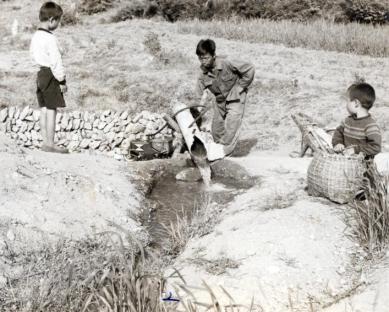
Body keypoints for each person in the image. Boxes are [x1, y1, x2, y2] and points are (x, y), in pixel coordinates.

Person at [195, 39, 255, 156]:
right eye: (200, 58)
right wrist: (195, 112)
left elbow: (249, 68)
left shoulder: (227, 62)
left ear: (213, 55)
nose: (203, 62)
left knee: (232, 123)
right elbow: (198, 95)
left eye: (206, 58)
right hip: (219, 100)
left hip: (235, 97)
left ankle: (226, 153)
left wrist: (240, 87)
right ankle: (218, 150)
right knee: (216, 129)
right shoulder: (202, 72)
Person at [30, 1, 68, 153]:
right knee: (52, 109)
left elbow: (32, 56)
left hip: (40, 73)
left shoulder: (36, 36)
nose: (59, 24)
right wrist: (62, 80)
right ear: (52, 20)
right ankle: (51, 144)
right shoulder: (50, 38)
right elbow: (56, 61)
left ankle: (45, 142)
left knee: (44, 108)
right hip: (50, 74)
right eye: (59, 21)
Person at [332, 82, 381, 159]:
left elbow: (375, 147)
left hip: (363, 167)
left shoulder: (370, 126)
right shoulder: (347, 121)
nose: (346, 105)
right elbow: (338, 133)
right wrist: (338, 143)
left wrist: (355, 150)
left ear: (356, 103)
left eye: (347, 101)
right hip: (345, 162)